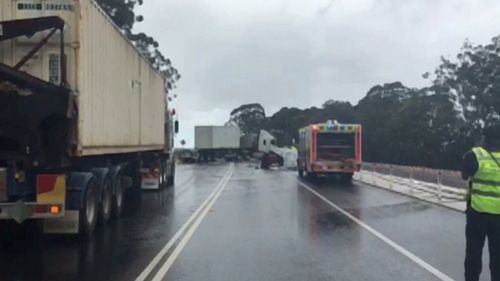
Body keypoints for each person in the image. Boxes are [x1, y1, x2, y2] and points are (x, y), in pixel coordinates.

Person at [462, 125, 500, 281]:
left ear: (485, 138)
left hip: (477, 214)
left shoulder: (475, 155)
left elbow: (465, 175)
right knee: (498, 258)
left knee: (473, 256)